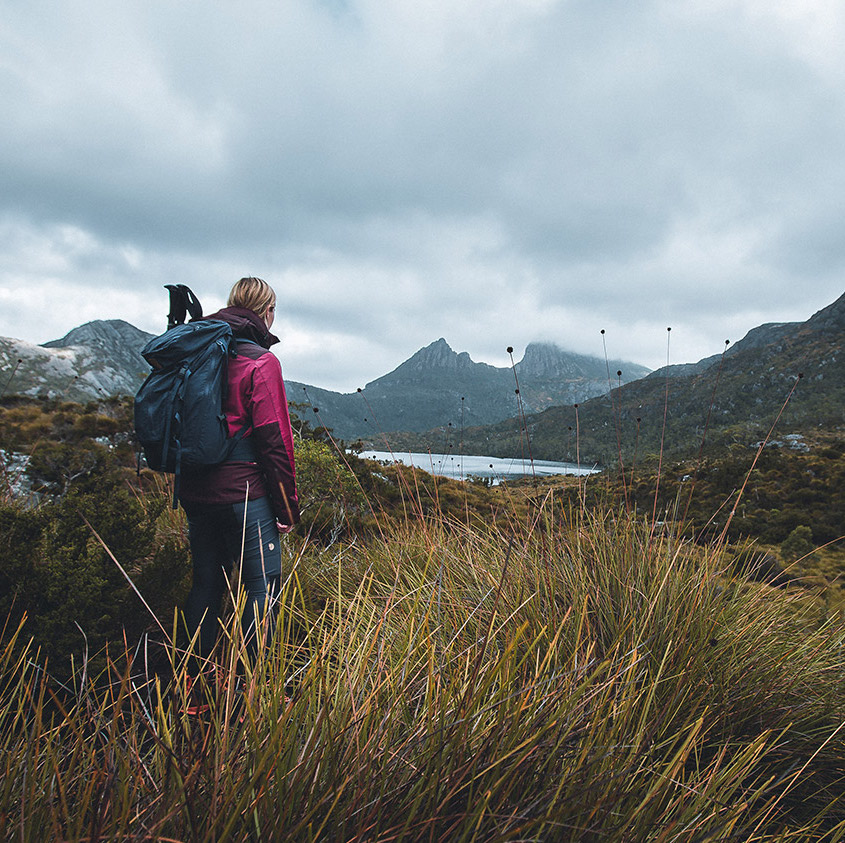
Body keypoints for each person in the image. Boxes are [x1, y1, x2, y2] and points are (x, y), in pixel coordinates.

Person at [178, 277, 300, 670]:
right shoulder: (260, 362)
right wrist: (286, 509)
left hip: (195, 492)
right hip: (244, 498)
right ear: (267, 312)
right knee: (262, 589)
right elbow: (274, 441)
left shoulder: (197, 354)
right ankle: (252, 694)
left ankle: (191, 690)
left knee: (205, 586)